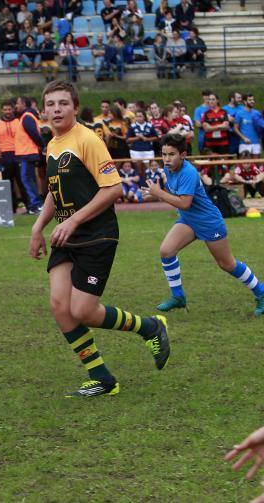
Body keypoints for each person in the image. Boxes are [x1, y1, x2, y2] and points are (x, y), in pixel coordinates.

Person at [29, 80, 170, 398]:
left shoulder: (87, 140)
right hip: (67, 235)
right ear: (43, 111)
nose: (56, 109)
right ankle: (101, 377)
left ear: (75, 108)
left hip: (96, 234)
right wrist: (38, 227)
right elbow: (55, 192)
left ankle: (149, 327)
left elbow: (113, 189)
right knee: (59, 305)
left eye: (63, 103)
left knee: (82, 310)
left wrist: (75, 219)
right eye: (50, 104)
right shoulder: (53, 144)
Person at [144, 134, 264, 316]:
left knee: (227, 264)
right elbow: (174, 192)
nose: (167, 159)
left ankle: (261, 293)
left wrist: (159, 193)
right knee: (166, 251)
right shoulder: (168, 169)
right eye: (164, 154)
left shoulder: (189, 172)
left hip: (208, 222)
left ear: (183, 155)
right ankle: (178, 297)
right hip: (188, 220)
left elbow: (184, 202)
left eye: (171, 154)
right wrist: (154, 194)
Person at [15, 96, 45, 215]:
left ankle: (35, 205)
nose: (16, 106)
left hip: (27, 153)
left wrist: (42, 145)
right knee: (29, 179)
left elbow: (34, 134)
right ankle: (34, 204)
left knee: (26, 179)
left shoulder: (27, 117)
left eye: (17, 103)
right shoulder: (26, 117)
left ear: (24, 104)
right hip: (27, 153)